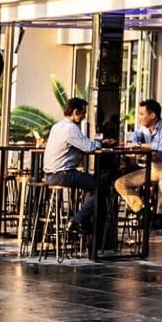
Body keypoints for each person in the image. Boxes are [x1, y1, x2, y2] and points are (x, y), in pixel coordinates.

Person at [42, 97, 104, 232]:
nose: (83, 117)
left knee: (92, 184)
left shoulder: (57, 126)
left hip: (50, 174)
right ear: (76, 112)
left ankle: (83, 220)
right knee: (101, 186)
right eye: (83, 113)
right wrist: (101, 143)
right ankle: (78, 221)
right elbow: (88, 147)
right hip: (63, 174)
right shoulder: (71, 128)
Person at [115, 99, 162, 214]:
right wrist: (135, 141)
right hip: (154, 168)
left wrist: (139, 145)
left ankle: (160, 217)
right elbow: (134, 138)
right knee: (120, 183)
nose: (139, 118)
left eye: (142, 114)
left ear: (152, 115)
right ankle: (143, 211)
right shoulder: (144, 128)